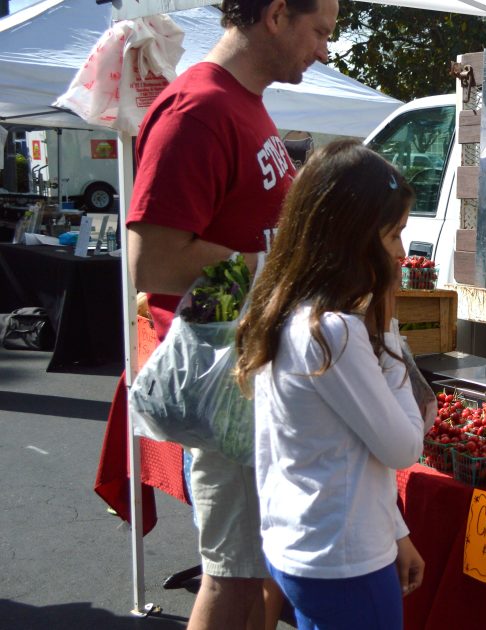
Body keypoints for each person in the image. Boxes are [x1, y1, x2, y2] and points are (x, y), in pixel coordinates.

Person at [125, 0, 337, 627]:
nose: (324, 50)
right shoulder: (198, 109)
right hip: (228, 386)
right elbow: (152, 262)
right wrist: (282, 259)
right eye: (319, 31)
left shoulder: (243, 103)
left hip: (254, 379)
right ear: (276, 14)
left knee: (257, 575)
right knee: (233, 580)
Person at [234, 140, 429, 630]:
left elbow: (343, 452)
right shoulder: (333, 332)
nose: (401, 253)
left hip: (306, 543)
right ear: (354, 237)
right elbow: (404, 446)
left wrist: (395, 529)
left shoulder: (286, 310)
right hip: (344, 562)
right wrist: (387, 329)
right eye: (394, 235)